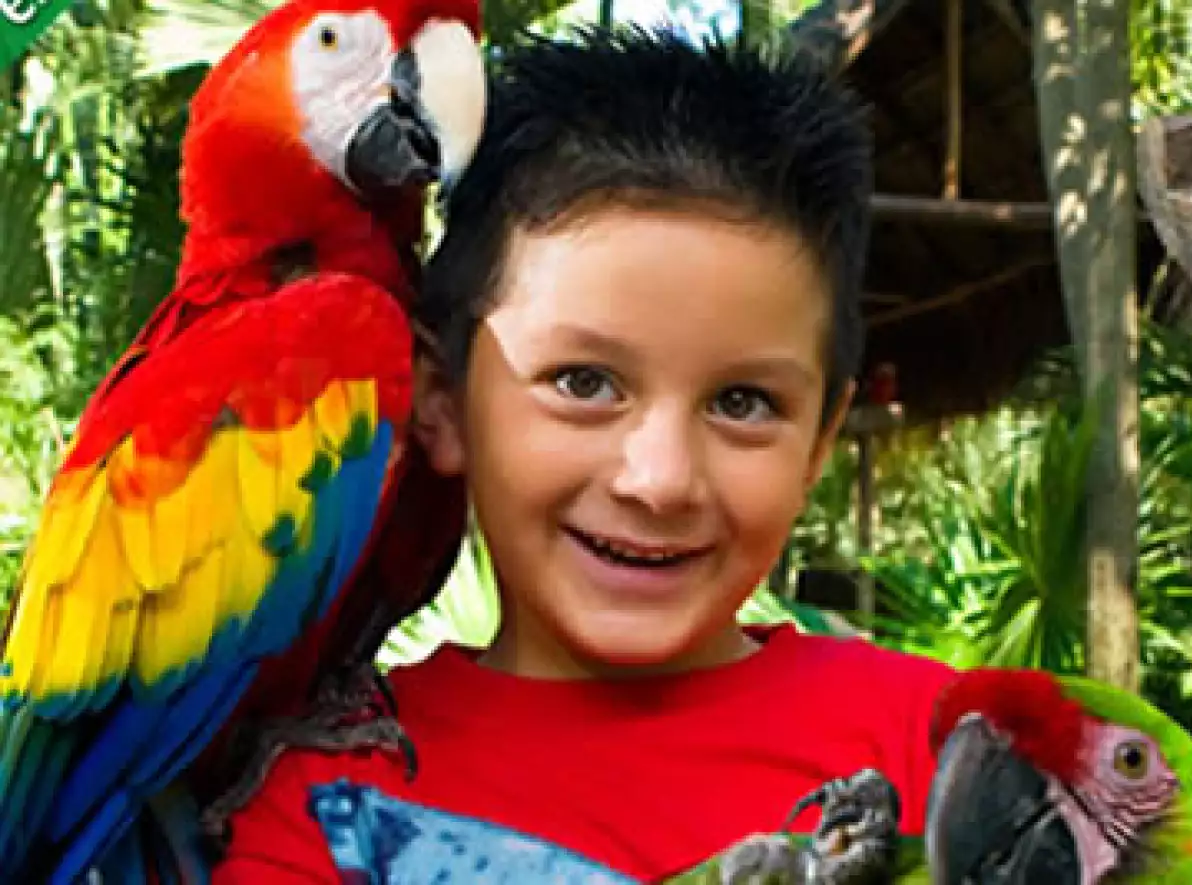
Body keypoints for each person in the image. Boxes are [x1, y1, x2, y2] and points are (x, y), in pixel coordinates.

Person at [212, 26, 954, 884]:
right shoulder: (328, 811)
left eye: (743, 403)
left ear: (821, 439)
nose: (660, 479)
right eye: (583, 382)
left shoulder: (943, 749)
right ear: (440, 401)